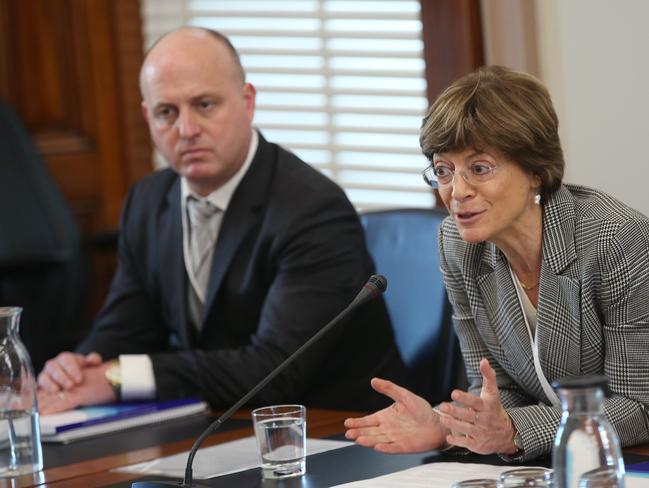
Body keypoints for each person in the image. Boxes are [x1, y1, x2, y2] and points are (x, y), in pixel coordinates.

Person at [37, 27, 406, 413]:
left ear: (247, 102)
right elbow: (124, 331)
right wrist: (76, 371)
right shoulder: (147, 202)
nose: (187, 130)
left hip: (336, 433)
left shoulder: (313, 210)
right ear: (147, 117)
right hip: (214, 431)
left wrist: (120, 377)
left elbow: (274, 371)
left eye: (205, 105)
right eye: (167, 112)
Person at [344, 65, 649, 461]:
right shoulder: (458, 244)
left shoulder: (615, 240)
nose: (457, 191)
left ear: (536, 171)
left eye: (480, 168)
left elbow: (639, 407)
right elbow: (494, 390)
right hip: (548, 461)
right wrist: (446, 426)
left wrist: (514, 431)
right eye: (443, 170)